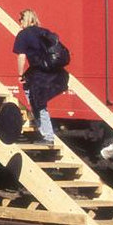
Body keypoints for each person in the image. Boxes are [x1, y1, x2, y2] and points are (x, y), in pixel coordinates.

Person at [13, 8, 69, 145]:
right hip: (57, 74)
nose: (19, 22)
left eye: (20, 19)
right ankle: (42, 128)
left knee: (38, 103)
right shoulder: (44, 32)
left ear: (25, 19)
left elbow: (21, 56)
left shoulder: (23, 34)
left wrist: (20, 74)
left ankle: (47, 136)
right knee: (38, 102)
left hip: (39, 74)